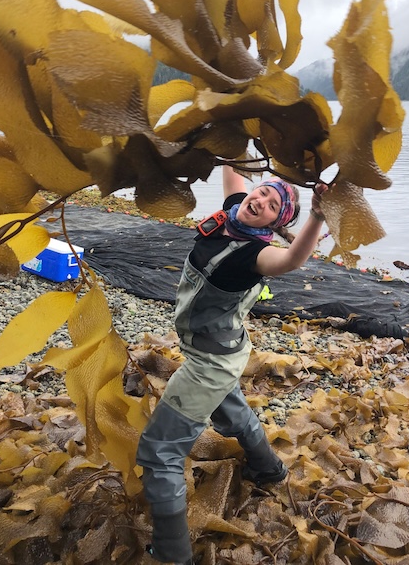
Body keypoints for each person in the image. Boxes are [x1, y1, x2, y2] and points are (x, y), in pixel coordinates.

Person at [137, 166, 327, 564]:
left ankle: (172, 555)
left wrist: (318, 215)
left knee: (160, 452)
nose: (259, 202)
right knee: (232, 411)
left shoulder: (255, 255)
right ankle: (269, 470)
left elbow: (293, 259)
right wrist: (231, 114)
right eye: (261, 193)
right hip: (224, 348)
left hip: (210, 363)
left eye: (272, 206)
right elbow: (233, 165)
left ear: (275, 222)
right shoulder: (236, 209)